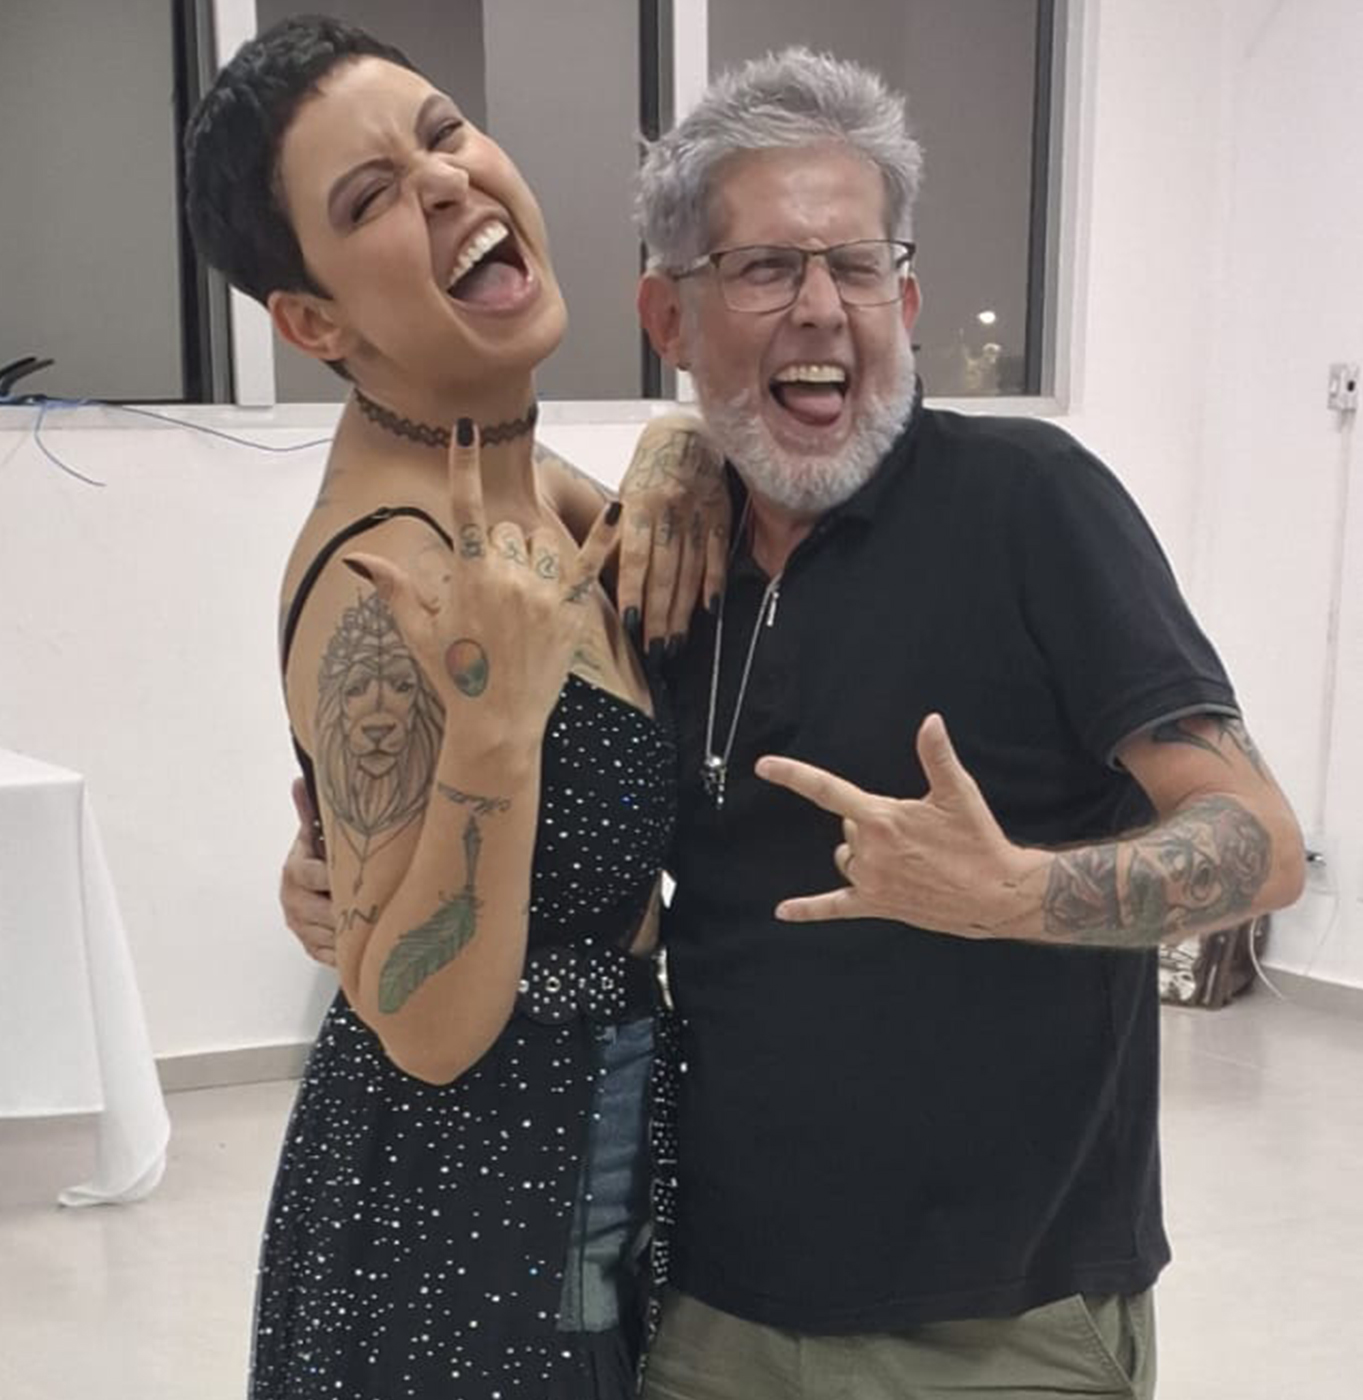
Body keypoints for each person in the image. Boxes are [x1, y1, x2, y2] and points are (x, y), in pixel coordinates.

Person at [283, 47, 1305, 1400]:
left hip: (996, 1327)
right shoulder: (666, 565)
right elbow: (565, 793)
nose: (822, 307)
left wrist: (1012, 893)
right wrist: (350, 875)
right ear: (669, 314)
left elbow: (1259, 840)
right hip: (701, 1308)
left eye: (859, 266)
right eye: (764, 269)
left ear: (908, 299)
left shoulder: (1034, 506)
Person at [185, 16, 723, 1399]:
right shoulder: (388, 578)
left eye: (441, 133)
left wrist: (683, 442)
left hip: (589, 1150)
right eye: (369, 197)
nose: (442, 182)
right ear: (314, 323)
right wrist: (491, 737)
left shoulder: (524, 483)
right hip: (457, 1229)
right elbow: (421, 1027)